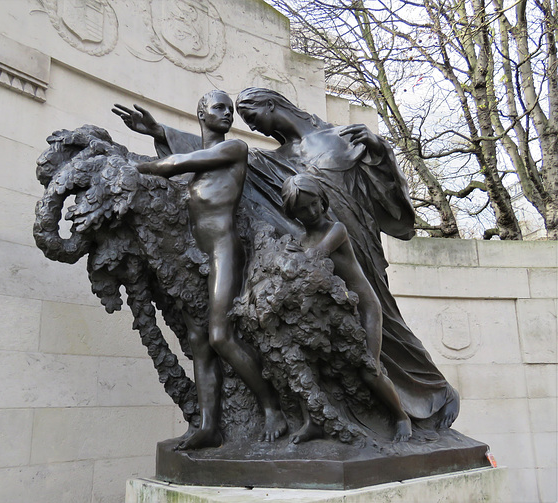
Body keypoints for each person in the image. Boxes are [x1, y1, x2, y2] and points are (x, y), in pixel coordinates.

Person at [113, 87, 460, 432]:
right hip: (317, 241)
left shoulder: (341, 136)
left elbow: (392, 196)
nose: (257, 127)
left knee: (386, 318)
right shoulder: (276, 157)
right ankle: (357, 411)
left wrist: (379, 148)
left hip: (357, 239)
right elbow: (217, 155)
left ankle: (434, 390)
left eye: (254, 117)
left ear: (272, 104)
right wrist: (161, 133)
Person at [130, 90, 287, 449]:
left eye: (230, 110)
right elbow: (187, 152)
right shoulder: (205, 155)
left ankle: (272, 406)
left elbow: (177, 163)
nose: (228, 114)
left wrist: (132, 167)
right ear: (202, 113)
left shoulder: (233, 150)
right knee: (199, 342)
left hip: (223, 251)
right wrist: (157, 132)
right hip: (195, 254)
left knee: (220, 336)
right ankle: (208, 426)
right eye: (219, 108)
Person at [282, 173, 412, 442]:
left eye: (314, 203)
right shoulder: (298, 240)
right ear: (293, 213)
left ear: (323, 200)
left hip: (365, 308)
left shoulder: (336, 230)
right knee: (307, 362)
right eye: (303, 209)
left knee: (369, 369)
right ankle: (313, 421)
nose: (312, 211)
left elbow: (314, 258)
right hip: (333, 312)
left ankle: (401, 416)